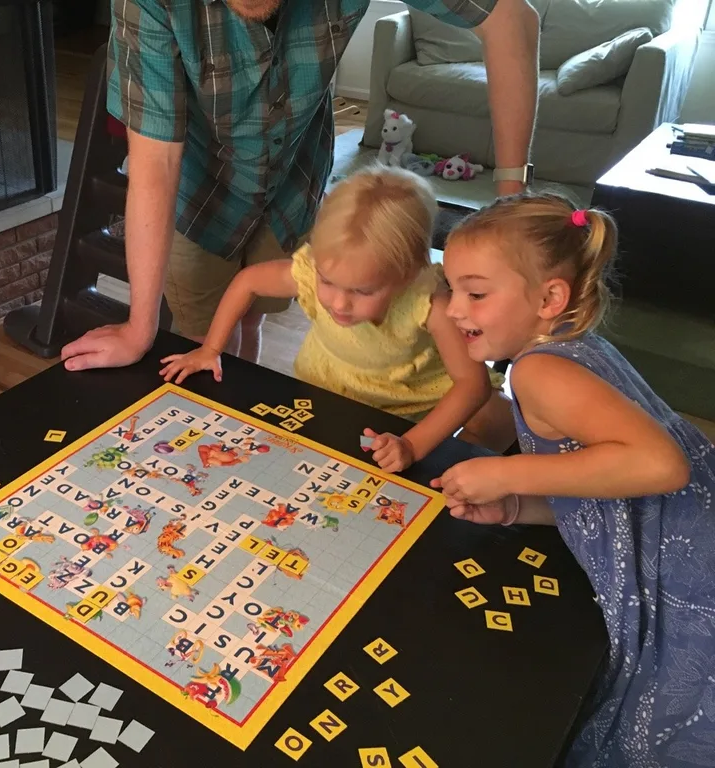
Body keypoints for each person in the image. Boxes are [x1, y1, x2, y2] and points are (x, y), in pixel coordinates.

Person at [61, 0, 541, 372]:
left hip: (293, 182)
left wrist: (509, 200)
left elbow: (510, 17)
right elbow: (155, 164)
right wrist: (139, 328)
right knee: (202, 334)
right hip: (195, 199)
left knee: (253, 316)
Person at [433, 194, 715, 766]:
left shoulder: (540, 370)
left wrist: (505, 468)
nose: (454, 309)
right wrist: (517, 506)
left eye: (476, 293)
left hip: (689, 577)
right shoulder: (574, 347)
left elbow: (662, 465)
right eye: (451, 289)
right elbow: (604, 487)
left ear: (550, 298)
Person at [159, 168, 514, 472]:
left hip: (410, 404)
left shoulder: (431, 302)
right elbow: (247, 281)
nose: (339, 303)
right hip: (327, 391)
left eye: (362, 291)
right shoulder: (316, 268)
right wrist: (211, 348)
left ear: (407, 275)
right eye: (327, 282)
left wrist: (413, 445)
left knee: (500, 419)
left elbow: (473, 385)